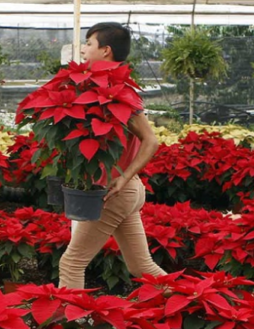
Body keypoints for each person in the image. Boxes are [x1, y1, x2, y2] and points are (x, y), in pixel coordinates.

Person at [58, 22, 167, 290]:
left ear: (105, 50)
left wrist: (125, 176)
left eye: (89, 43)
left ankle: (71, 327)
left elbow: (150, 140)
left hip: (113, 191)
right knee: (141, 266)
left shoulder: (121, 91)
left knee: (72, 262)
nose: (83, 49)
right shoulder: (94, 86)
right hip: (124, 190)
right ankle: (195, 302)